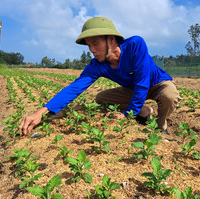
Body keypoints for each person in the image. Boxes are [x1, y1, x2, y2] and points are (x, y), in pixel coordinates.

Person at [18, 16, 180, 136]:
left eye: (95, 43)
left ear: (110, 39)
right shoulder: (97, 64)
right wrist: (42, 111)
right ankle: (144, 112)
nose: (92, 49)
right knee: (101, 97)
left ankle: (161, 127)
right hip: (133, 89)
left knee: (169, 95)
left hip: (157, 84)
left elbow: (142, 83)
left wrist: (126, 114)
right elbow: (74, 88)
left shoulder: (135, 45)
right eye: (89, 45)